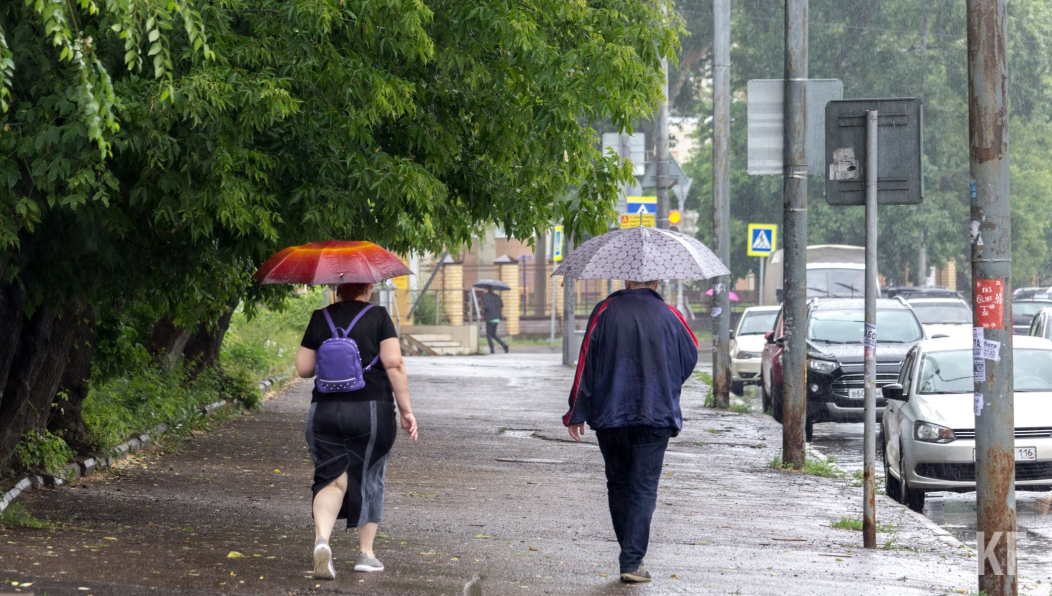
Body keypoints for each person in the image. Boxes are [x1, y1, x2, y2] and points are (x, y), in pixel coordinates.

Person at [562, 280, 698, 584]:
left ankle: (631, 556)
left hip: (611, 414)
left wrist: (576, 412)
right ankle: (632, 559)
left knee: (619, 484)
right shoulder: (670, 314)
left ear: (626, 280)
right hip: (656, 413)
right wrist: (667, 383)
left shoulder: (604, 311)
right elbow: (690, 356)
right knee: (644, 488)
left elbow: (586, 364)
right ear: (656, 282)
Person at [296, 282, 419, 580]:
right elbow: (394, 364)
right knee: (370, 477)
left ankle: (322, 541)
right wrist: (406, 411)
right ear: (368, 286)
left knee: (331, 480)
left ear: (338, 287)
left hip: (324, 412)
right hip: (372, 410)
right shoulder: (378, 316)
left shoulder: (319, 316)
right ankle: (366, 554)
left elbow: (303, 368)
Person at [481, 287, 509, 354]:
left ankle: (492, 350)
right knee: (493, 334)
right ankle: (504, 346)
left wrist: (482, 311)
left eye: (484, 289)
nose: (483, 290)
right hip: (497, 318)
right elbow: (502, 305)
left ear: (487, 289)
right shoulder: (497, 297)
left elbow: (486, 307)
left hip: (490, 317)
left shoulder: (485, 297)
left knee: (488, 335)